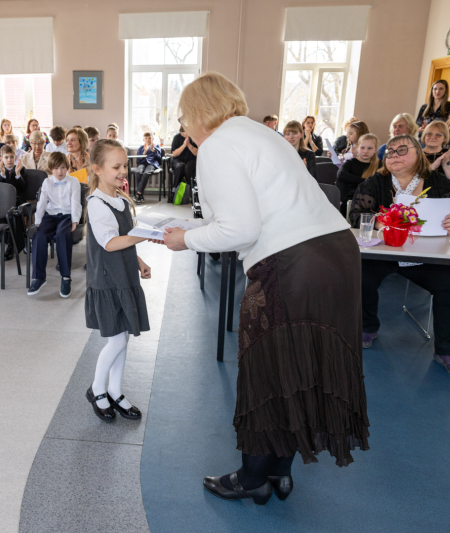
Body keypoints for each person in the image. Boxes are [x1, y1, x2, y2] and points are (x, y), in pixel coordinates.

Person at [162, 72, 368, 502]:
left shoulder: (216, 145)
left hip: (293, 264)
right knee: (300, 367)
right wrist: (194, 225)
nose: (184, 128)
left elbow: (239, 228)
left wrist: (186, 240)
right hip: (335, 253)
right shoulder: (260, 134)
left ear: (201, 112)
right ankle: (280, 469)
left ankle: (253, 476)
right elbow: (254, 209)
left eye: (184, 117)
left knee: (266, 368)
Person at [349, 134, 450, 378]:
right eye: (390, 152)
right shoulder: (376, 182)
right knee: (360, 273)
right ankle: (366, 327)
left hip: (427, 257)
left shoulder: (441, 184)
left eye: (402, 150)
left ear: (419, 154)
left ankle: (449, 350)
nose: (394, 155)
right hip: (384, 253)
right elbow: (356, 215)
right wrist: (380, 223)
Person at [85, 139, 151, 423]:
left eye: (125, 165)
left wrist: (139, 261)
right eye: (117, 166)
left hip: (124, 277)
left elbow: (125, 241)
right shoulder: (97, 204)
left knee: (123, 338)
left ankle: (115, 389)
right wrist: (147, 233)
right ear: (97, 169)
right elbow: (110, 243)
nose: (124, 170)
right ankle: (97, 389)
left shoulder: (121, 199)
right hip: (108, 283)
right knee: (117, 341)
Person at [27, 152, 82, 298]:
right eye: (56, 168)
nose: (60, 171)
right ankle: (38, 277)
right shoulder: (47, 182)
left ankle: (65, 277)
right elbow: (42, 202)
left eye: (63, 168)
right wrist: (38, 220)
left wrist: (75, 221)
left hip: (67, 215)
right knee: (40, 236)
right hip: (51, 215)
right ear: (51, 168)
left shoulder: (73, 181)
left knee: (62, 235)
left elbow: (76, 202)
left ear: (67, 167)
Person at [336, 133, 378, 213]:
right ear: (358, 148)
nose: (365, 151)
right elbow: (341, 175)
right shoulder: (350, 163)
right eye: (362, 148)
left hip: (372, 201)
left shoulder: (379, 165)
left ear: (375, 149)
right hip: (351, 199)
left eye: (370, 148)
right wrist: (366, 181)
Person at [422, 121, 450, 186]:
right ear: (424, 136)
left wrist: (446, 163)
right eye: (429, 134)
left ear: (444, 138)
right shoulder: (415, 154)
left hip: (445, 194)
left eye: (438, 135)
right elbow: (410, 180)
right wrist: (433, 166)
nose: (433, 137)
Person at [132, 131, 161, 204]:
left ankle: (138, 194)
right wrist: (144, 152)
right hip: (142, 164)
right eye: (146, 138)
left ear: (152, 139)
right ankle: (140, 195)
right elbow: (138, 159)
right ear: (143, 140)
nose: (148, 140)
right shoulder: (141, 148)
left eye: (149, 138)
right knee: (138, 172)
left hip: (151, 164)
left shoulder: (156, 146)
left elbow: (159, 158)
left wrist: (154, 151)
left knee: (146, 173)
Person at [170, 126, 198, 190]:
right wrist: (184, 145)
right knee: (180, 167)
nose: (184, 134)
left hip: (191, 160)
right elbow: (175, 154)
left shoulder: (194, 138)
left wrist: (188, 145)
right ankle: (175, 189)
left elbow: (196, 153)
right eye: (182, 133)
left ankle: (190, 189)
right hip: (178, 160)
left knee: (188, 167)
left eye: (186, 133)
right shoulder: (176, 138)